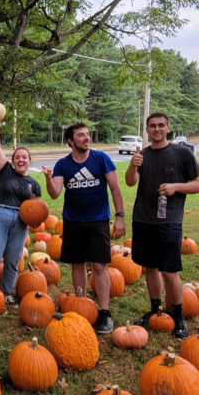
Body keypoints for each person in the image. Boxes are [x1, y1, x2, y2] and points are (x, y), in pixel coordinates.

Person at [41, 122, 126, 334]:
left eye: (87, 134)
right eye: (81, 135)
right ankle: (82, 305)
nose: (86, 138)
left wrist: (120, 217)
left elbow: (115, 188)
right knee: (78, 265)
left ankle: (104, 312)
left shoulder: (101, 159)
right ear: (71, 140)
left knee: (99, 267)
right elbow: (54, 193)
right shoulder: (63, 164)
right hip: (73, 221)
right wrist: (49, 179)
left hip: (98, 221)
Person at [125, 113, 199, 338]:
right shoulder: (143, 155)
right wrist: (133, 165)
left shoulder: (182, 154)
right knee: (150, 267)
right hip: (142, 219)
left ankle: (178, 317)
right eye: (152, 126)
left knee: (169, 271)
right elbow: (130, 182)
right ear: (147, 130)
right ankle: (155, 310)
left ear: (168, 128)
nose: (157, 129)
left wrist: (175, 187)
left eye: (161, 125)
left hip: (169, 221)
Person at [0, 121, 42, 305]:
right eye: (17, 157)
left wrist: (35, 222)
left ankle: (6, 293)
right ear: (12, 161)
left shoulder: (34, 184)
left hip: (21, 222)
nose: (21, 160)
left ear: (29, 161)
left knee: (13, 260)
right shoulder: (4, 171)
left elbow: (35, 209)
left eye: (24, 157)